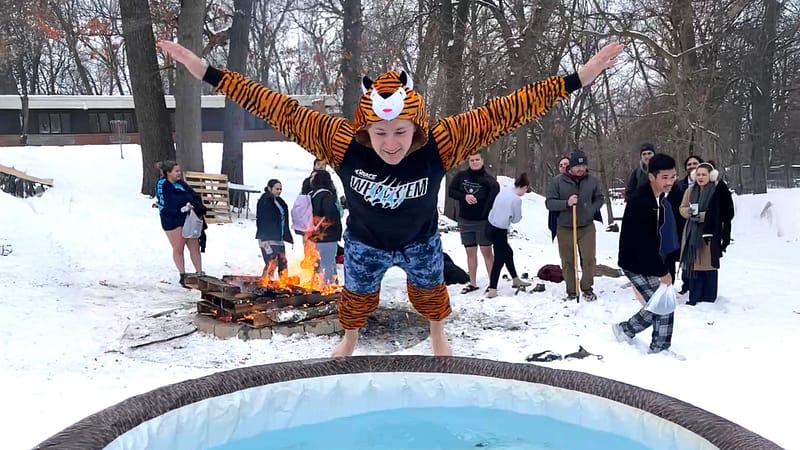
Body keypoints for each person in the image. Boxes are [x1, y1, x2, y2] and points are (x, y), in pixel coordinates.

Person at [157, 39, 624, 357]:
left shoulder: (443, 141)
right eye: (379, 132)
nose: (391, 142)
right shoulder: (341, 142)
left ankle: (438, 333)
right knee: (357, 298)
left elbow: (507, 110)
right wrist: (204, 71)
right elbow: (276, 106)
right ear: (365, 128)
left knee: (431, 295)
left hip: (420, 240)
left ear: (416, 127)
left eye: (400, 131)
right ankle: (351, 339)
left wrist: (577, 77)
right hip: (365, 241)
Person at [613, 153, 680, 355]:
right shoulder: (641, 203)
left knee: (660, 302)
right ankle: (659, 349)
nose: (670, 182)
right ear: (652, 177)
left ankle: (626, 329)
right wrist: (662, 272)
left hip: (651, 259)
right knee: (662, 305)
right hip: (635, 261)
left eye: (673, 176)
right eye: (665, 177)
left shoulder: (660, 198)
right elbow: (644, 243)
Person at [545, 150, 604, 301]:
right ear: (571, 166)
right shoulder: (558, 181)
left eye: (583, 166)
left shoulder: (592, 181)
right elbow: (549, 203)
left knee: (589, 258)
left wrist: (592, 208)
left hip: (586, 226)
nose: (581, 169)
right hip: (565, 226)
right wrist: (566, 203)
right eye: (578, 166)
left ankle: (587, 287)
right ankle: (572, 290)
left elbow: (599, 198)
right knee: (568, 260)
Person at [678, 161, 734, 304]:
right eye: (698, 174)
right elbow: (682, 208)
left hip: (710, 233)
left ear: (711, 175)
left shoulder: (717, 191)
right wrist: (689, 213)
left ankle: (709, 297)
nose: (701, 177)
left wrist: (704, 216)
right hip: (692, 232)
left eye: (704, 174)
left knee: (709, 265)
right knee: (695, 265)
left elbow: (722, 211)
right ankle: (695, 296)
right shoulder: (689, 191)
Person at [447, 152, 499, 293]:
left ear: (482, 161)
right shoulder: (461, 176)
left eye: (477, 160)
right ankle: (473, 283)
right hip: (465, 220)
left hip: (483, 221)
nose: (474, 162)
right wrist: (465, 196)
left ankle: (492, 284)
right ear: (468, 162)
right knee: (470, 252)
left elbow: (495, 196)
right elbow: (451, 191)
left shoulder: (488, 179)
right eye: (471, 160)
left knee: (486, 252)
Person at [155, 160, 206, 287]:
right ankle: (183, 275)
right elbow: (170, 202)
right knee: (179, 247)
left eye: (179, 171)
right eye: (176, 171)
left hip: (188, 218)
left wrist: (196, 206)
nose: (179, 173)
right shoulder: (163, 184)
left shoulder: (181, 183)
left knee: (194, 245)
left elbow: (193, 195)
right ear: (168, 172)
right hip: (172, 219)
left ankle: (199, 272)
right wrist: (184, 204)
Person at [485, 173, 531, 298]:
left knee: (508, 253)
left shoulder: (505, 190)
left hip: (489, 225)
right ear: (524, 187)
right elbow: (516, 219)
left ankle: (515, 279)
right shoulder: (516, 200)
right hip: (499, 230)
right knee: (499, 259)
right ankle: (492, 288)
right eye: (526, 190)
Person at [666, 155, 702, 294]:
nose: (692, 166)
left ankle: (691, 284)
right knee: (673, 255)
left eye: (695, 163)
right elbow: (669, 206)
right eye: (689, 164)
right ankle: (671, 284)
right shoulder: (678, 186)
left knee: (692, 256)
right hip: (679, 227)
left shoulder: (707, 184)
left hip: (699, 226)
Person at [308, 170, 343, 284]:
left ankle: (315, 286)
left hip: (313, 234)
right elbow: (331, 214)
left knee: (317, 263)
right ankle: (328, 287)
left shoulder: (311, 194)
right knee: (328, 264)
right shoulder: (327, 195)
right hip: (327, 235)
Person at [256, 179, 293, 279]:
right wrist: (264, 238)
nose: (279, 191)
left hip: (279, 238)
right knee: (271, 262)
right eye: (276, 189)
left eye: (280, 189)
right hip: (267, 238)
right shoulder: (264, 201)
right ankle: (265, 282)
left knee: (283, 262)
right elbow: (262, 220)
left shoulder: (280, 201)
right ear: (269, 188)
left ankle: (284, 282)